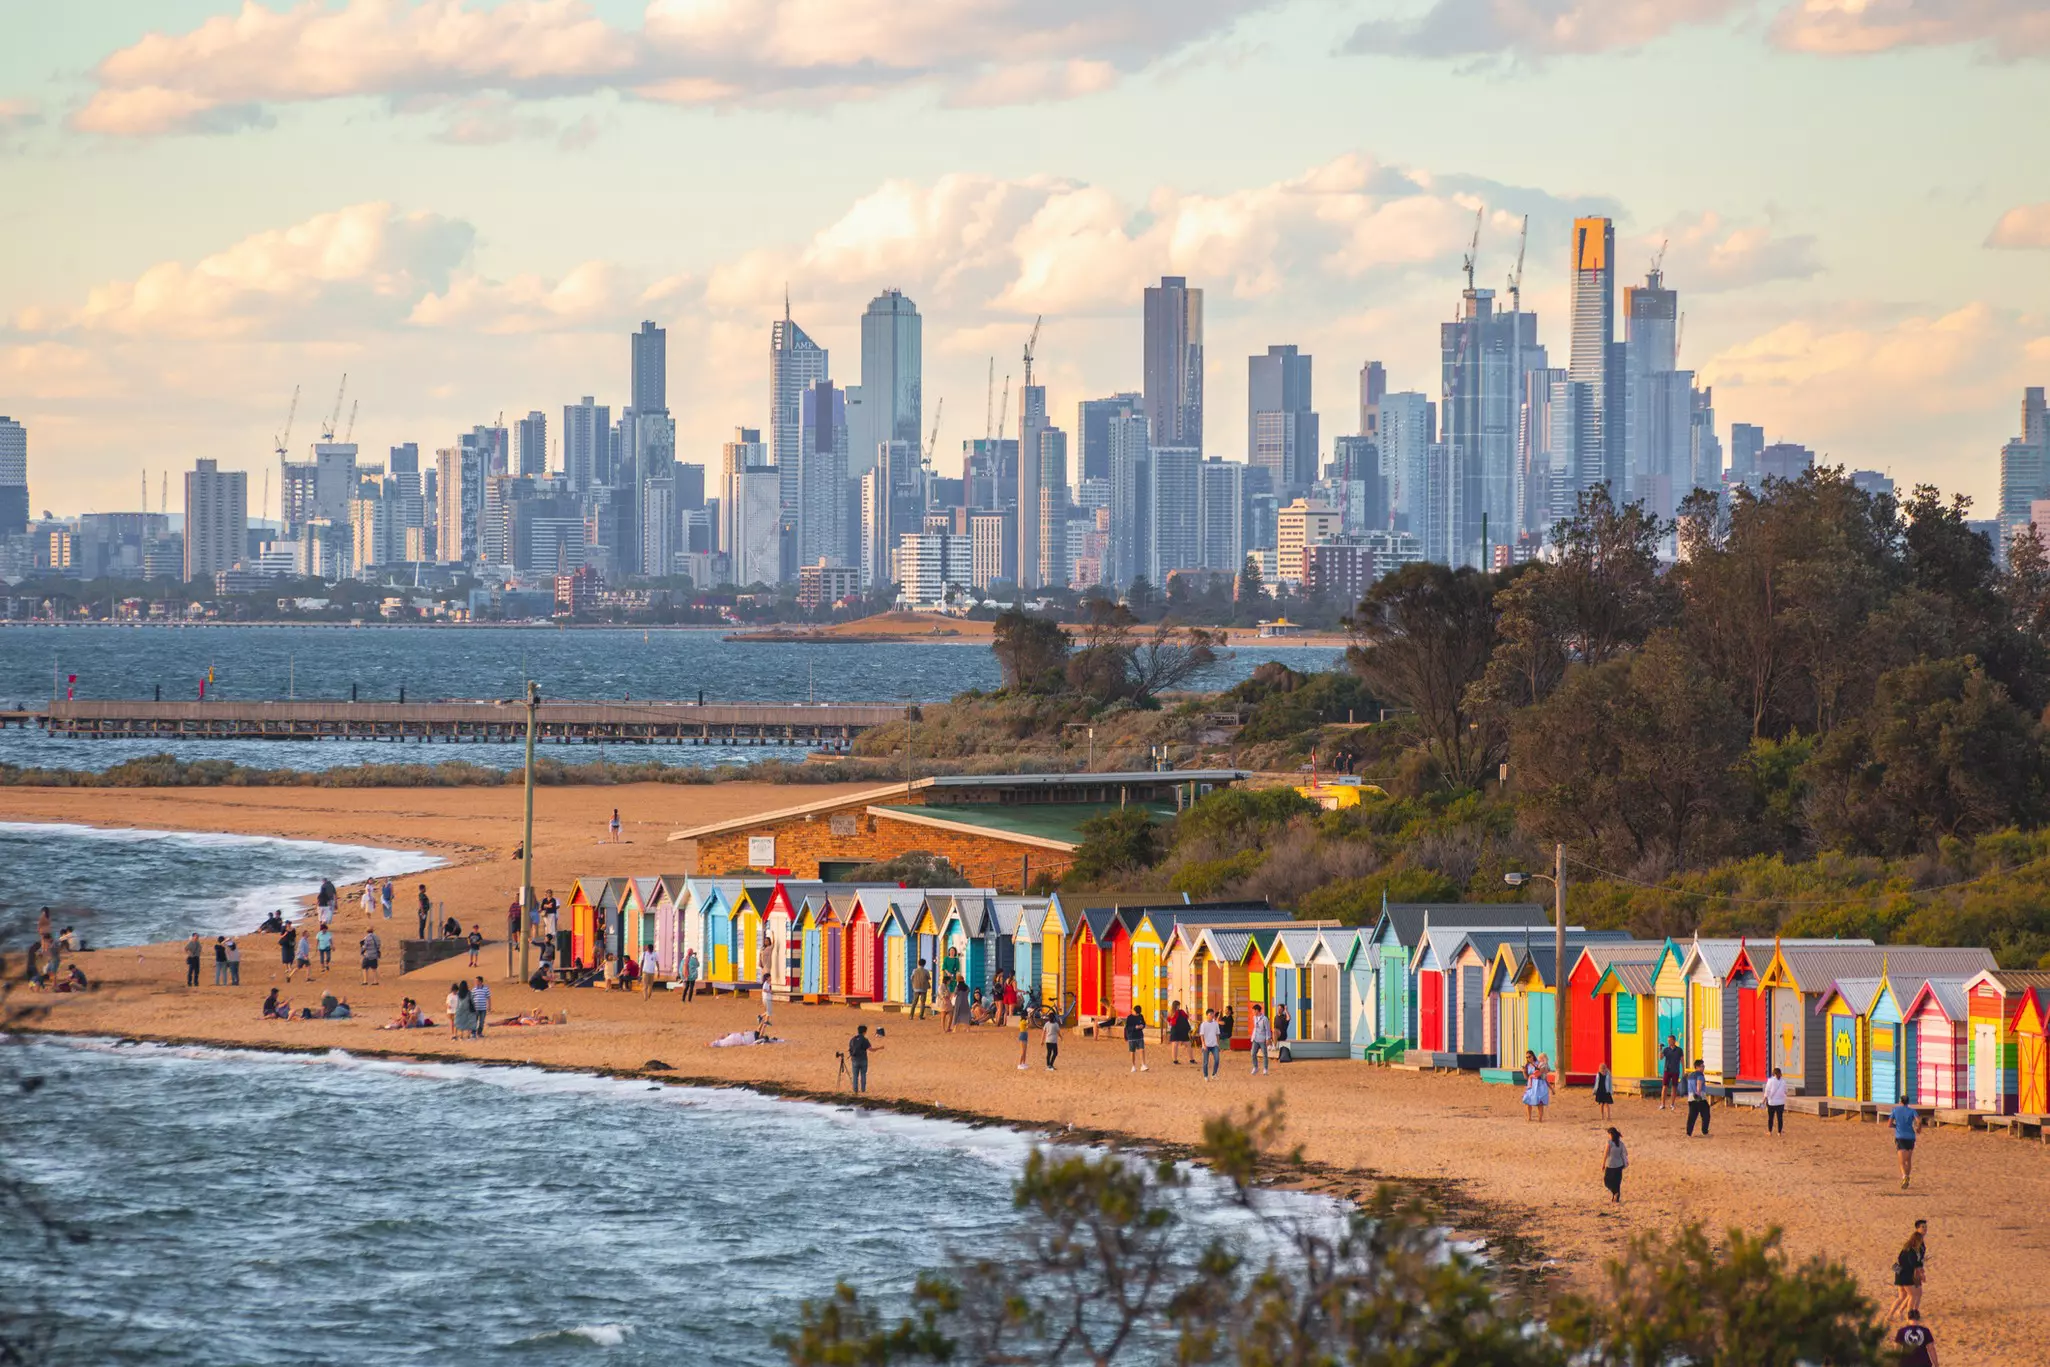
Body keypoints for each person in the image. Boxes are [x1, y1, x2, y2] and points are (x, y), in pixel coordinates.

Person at [1891, 1221, 1929, 1320]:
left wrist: (1921, 1267)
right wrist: (1921, 1272)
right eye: (1922, 1227)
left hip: (1910, 1272)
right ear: (1917, 1229)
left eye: (1925, 1227)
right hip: (1907, 1273)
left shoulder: (1920, 1244)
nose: (1925, 1229)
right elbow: (1912, 1262)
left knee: (1917, 1293)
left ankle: (1910, 1311)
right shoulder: (1912, 1246)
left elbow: (1918, 1260)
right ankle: (1909, 1314)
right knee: (1911, 1294)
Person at [1891, 1097, 1922, 1188]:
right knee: (1908, 1160)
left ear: (1900, 1101)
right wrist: (1918, 1129)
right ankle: (1907, 1177)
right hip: (1911, 1137)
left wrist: (1896, 1126)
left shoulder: (1895, 1110)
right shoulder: (1912, 1111)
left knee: (1902, 1161)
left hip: (1900, 1137)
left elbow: (1889, 1124)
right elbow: (1919, 1121)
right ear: (1908, 1102)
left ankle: (1904, 1177)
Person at [1685, 1058, 1712, 1137]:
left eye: (1703, 1066)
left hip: (1690, 1098)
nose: (1703, 1068)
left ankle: (1689, 1132)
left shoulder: (1690, 1075)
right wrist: (1698, 1093)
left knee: (1692, 1116)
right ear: (1697, 1067)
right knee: (1706, 1114)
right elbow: (1699, 1083)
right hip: (1699, 1097)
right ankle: (1705, 1131)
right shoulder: (1700, 1075)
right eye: (1702, 1066)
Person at [847, 1023, 877, 1093]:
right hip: (863, 1060)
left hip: (854, 1060)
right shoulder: (865, 1040)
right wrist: (879, 1048)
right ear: (865, 1032)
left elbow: (850, 1049)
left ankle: (855, 1090)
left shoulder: (852, 1039)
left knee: (855, 1076)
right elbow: (871, 1049)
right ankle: (863, 1090)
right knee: (863, 1075)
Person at [1601, 1126, 1628, 1204]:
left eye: (1608, 1134)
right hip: (1619, 1165)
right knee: (1617, 1182)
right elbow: (1625, 1153)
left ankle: (1615, 1195)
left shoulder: (1609, 1142)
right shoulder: (1621, 1143)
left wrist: (1603, 1164)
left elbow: (1605, 1154)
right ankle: (1615, 1197)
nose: (1608, 1136)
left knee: (1607, 1181)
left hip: (1611, 1165)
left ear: (1611, 1134)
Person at [1660, 1035, 1684, 1110]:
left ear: (1674, 1041)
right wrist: (1660, 1049)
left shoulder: (1679, 1050)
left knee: (1674, 1087)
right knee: (1664, 1087)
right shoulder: (1666, 1049)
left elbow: (1682, 1060)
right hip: (1667, 1070)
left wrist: (1683, 1070)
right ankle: (1662, 1104)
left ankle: (1672, 1104)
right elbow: (1661, 1058)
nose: (1669, 1042)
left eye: (1670, 1040)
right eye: (1668, 1040)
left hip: (1675, 1071)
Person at [1124, 1005, 1149, 1072]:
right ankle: (1133, 1066)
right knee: (1132, 1052)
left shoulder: (1141, 1016)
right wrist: (1135, 1027)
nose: (1137, 1014)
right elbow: (1127, 1028)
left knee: (1142, 1050)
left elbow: (1144, 1023)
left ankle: (1143, 1064)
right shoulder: (1129, 1017)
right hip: (1132, 1037)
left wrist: (1142, 1026)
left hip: (1140, 1036)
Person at [1249, 1003, 1273, 1076]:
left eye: (1253, 1011)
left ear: (1257, 1011)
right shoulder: (1254, 1018)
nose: (1253, 1012)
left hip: (1263, 1039)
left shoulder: (1265, 1019)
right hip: (1255, 1038)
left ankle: (1265, 1069)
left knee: (1265, 1054)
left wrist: (1268, 1039)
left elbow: (1267, 1029)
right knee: (1253, 1053)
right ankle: (1255, 1067)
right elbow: (1255, 1028)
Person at [1763, 1066, 1788, 1134]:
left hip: (1772, 1102)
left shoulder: (1770, 1080)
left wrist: (1764, 1099)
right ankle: (1779, 1132)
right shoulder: (1783, 1081)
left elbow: (1767, 1091)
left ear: (1773, 1073)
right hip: (1781, 1102)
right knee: (1780, 1118)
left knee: (1771, 1118)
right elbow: (1786, 1091)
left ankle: (1769, 1131)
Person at [1199, 1009, 1222, 1080]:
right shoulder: (1203, 1024)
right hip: (1206, 1046)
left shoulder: (1215, 1023)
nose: (1212, 1015)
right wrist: (1204, 1044)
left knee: (1217, 1060)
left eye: (1213, 1014)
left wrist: (1218, 1044)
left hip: (1214, 1045)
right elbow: (1202, 1035)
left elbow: (1217, 1034)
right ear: (1207, 1015)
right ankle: (1206, 1076)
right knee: (1205, 1062)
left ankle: (1214, 1074)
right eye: (1210, 1014)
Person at [1521, 1051, 1543, 1121]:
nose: (1528, 1058)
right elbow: (1526, 1078)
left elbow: (1542, 1073)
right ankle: (1529, 1117)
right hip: (1530, 1084)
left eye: (1529, 1056)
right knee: (1527, 1100)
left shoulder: (1538, 1063)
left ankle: (1540, 1118)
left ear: (1533, 1056)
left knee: (1539, 1101)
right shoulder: (1527, 1065)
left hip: (1538, 1084)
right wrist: (1524, 1071)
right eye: (1527, 1057)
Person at [1168, 1000, 1191, 1065]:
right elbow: (1187, 1017)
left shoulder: (1173, 1012)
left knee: (1176, 1045)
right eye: (1178, 1005)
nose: (1179, 1006)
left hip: (1177, 1029)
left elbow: (1169, 1020)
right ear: (1177, 1005)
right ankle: (1175, 1060)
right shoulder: (1178, 1012)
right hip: (1179, 1029)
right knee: (1176, 1045)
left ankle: (1175, 1060)